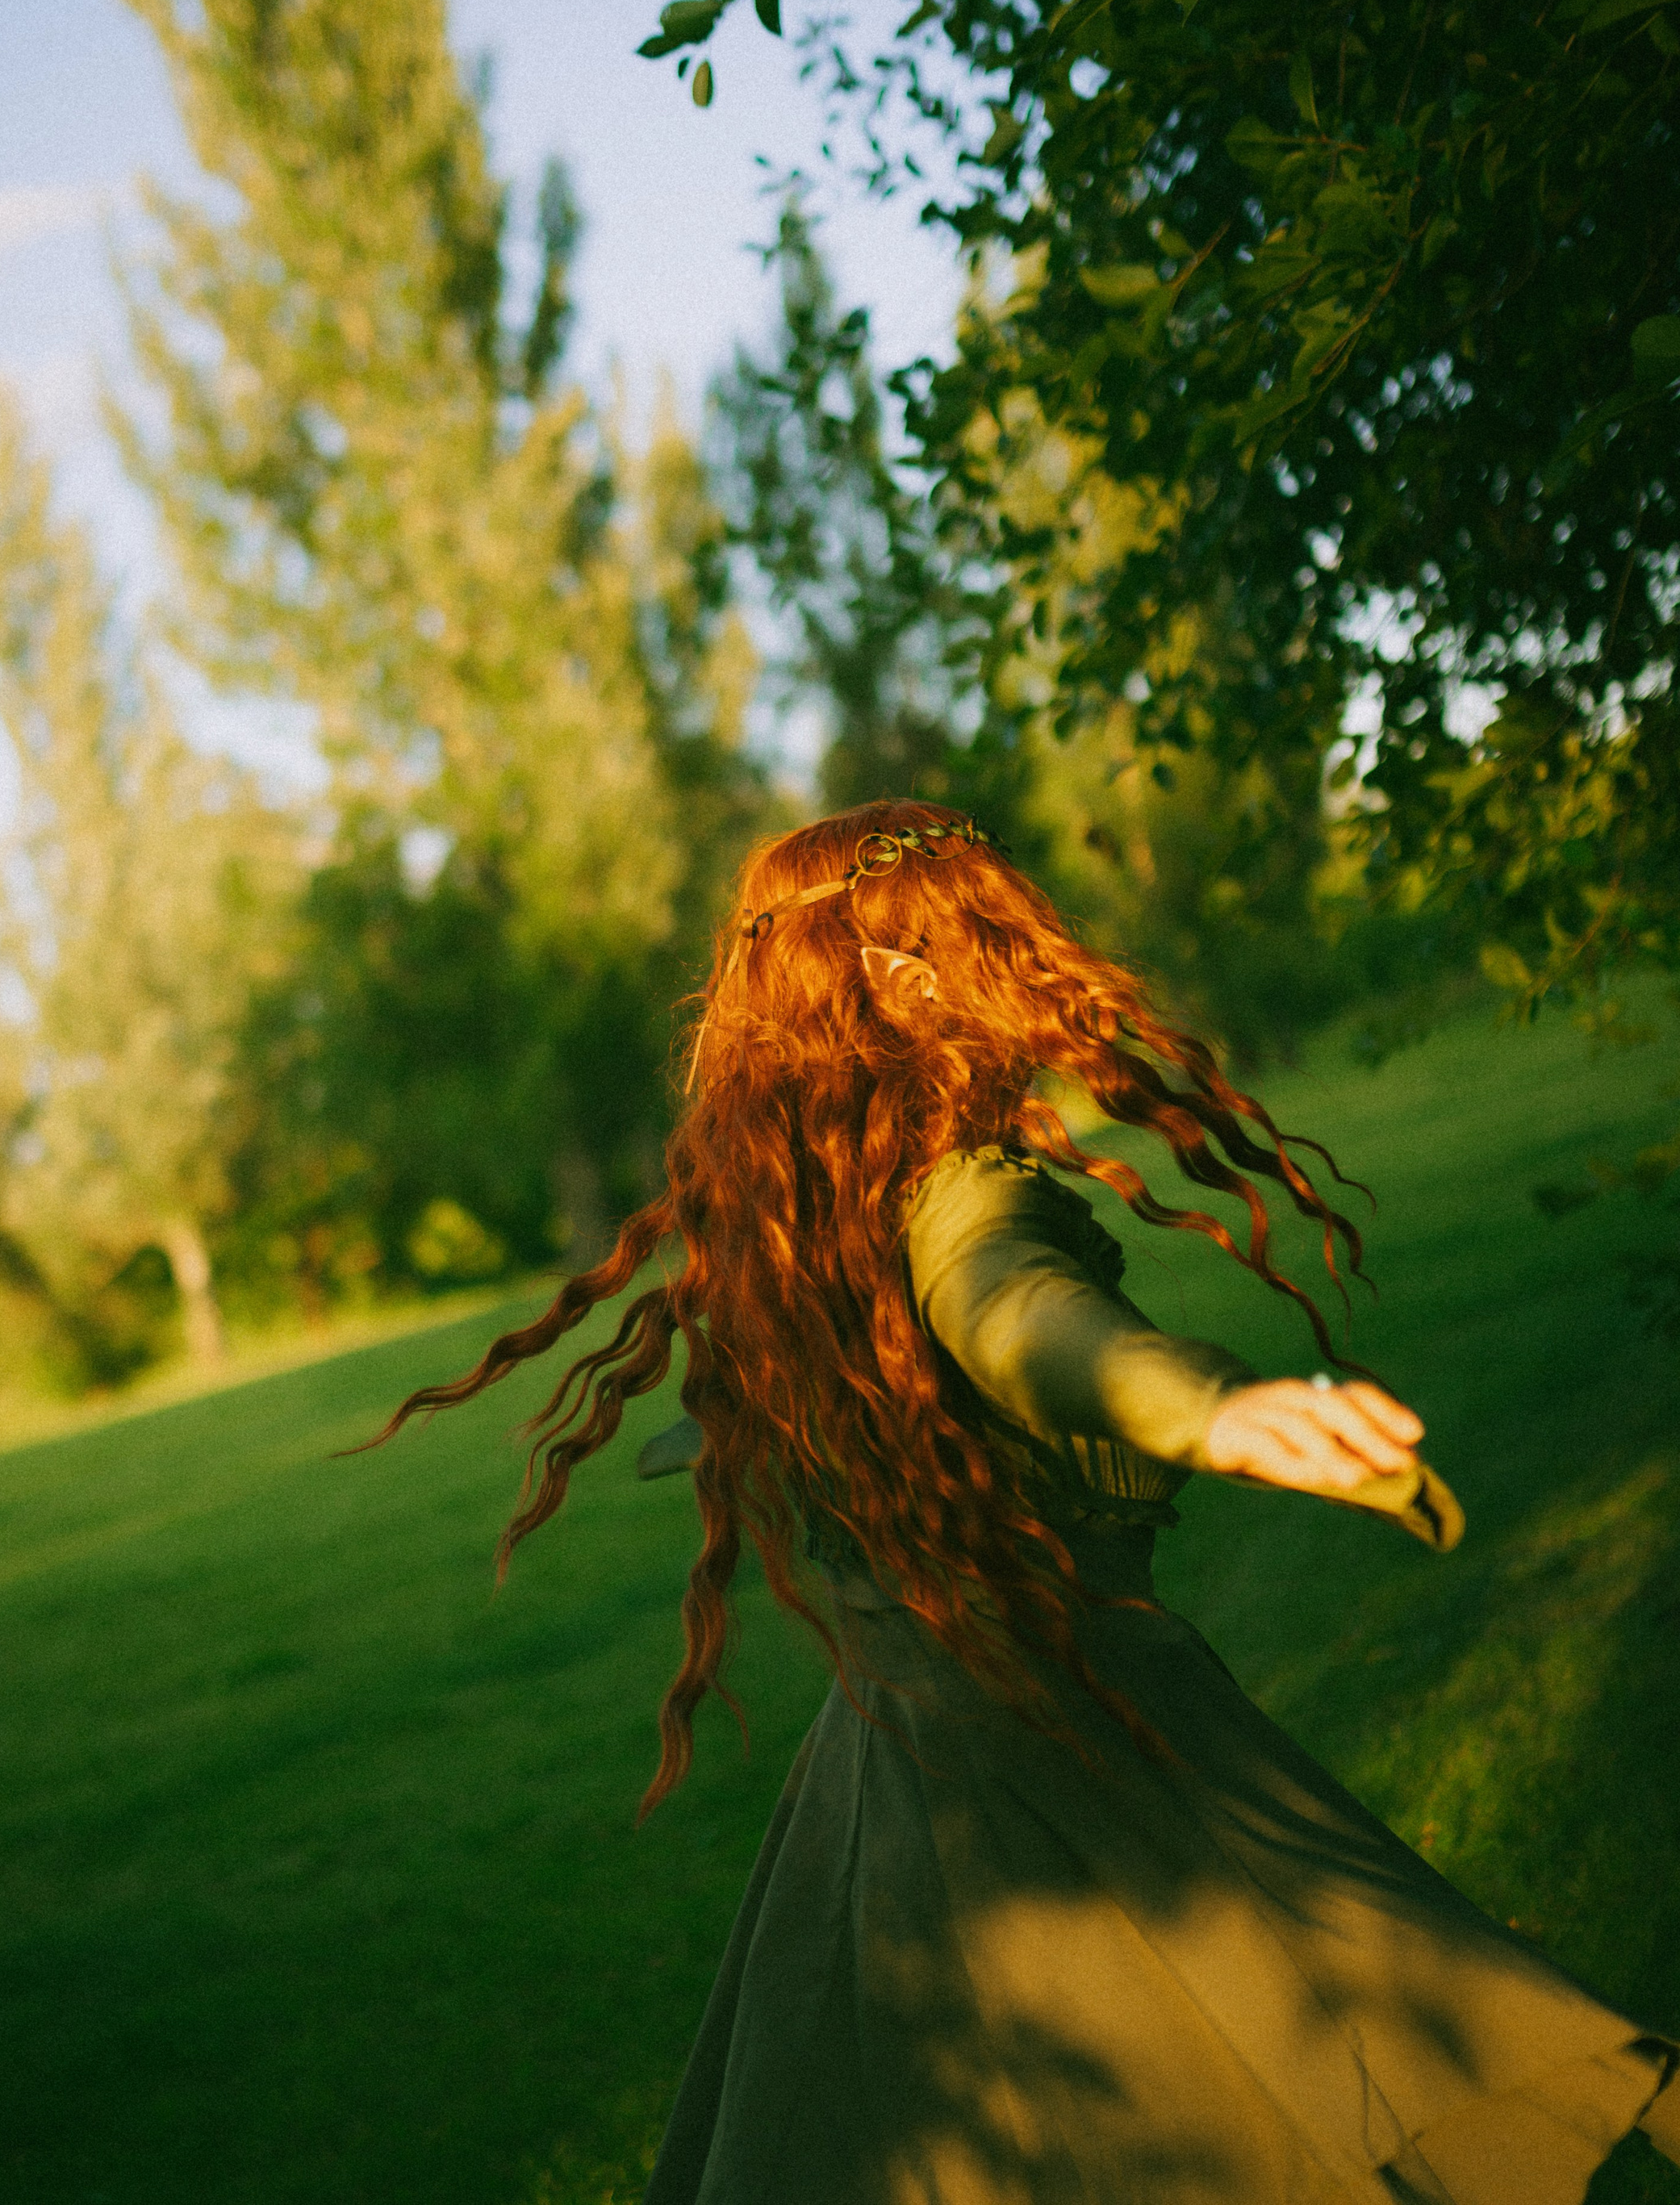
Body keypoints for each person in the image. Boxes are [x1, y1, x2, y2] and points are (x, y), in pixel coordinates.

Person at [364, 803, 1678, 2203]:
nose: (1022, 959)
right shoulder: (951, 1198)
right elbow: (1020, 1313)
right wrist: (1211, 1406)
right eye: (979, 931)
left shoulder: (814, 1234)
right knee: (1371, 2042)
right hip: (1056, 1735)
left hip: (910, 1748)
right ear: (905, 982)